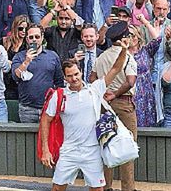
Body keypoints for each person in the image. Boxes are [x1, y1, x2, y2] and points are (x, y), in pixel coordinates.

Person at [39, 44, 129, 191]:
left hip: (92, 151)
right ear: (64, 77)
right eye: (69, 76)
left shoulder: (95, 89)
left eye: (76, 74)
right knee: (57, 188)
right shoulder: (58, 95)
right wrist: (45, 150)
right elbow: (45, 119)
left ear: (81, 72)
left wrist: (124, 50)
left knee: (97, 189)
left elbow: (116, 69)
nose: (74, 78)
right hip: (69, 150)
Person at [90, 21, 138, 191]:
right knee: (127, 147)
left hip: (103, 105)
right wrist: (116, 93)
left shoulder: (101, 57)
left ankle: (106, 186)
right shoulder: (128, 57)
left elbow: (92, 79)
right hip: (123, 103)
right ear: (124, 37)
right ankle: (128, 188)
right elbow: (130, 81)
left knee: (106, 145)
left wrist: (105, 93)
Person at [12, 24, 65, 123]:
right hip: (27, 109)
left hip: (49, 107)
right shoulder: (19, 56)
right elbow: (15, 76)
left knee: (47, 138)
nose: (34, 40)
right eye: (31, 37)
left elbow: (59, 82)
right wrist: (26, 61)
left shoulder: (52, 56)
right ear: (27, 39)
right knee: (26, 138)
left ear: (42, 38)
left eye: (37, 37)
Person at [127, 24, 161, 127]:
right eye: (128, 35)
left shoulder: (145, 50)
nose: (131, 38)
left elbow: (157, 38)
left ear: (138, 36)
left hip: (145, 91)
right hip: (130, 89)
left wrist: (144, 21)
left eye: (133, 35)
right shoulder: (122, 54)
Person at [1, 15, 29, 99]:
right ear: (15, 28)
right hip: (6, 79)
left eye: (26, 29)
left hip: (21, 80)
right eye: (20, 28)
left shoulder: (29, 44)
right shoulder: (5, 41)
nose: (23, 31)